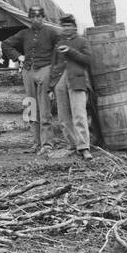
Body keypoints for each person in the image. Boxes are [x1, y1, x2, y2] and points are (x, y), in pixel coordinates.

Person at [0, 6, 63, 153]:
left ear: (43, 17)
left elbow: (61, 47)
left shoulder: (51, 32)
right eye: (33, 17)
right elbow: (5, 44)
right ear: (29, 18)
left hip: (45, 70)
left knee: (45, 108)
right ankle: (36, 143)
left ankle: (47, 144)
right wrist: (18, 56)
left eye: (39, 16)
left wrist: (54, 68)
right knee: (30, 106)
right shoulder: (24, 33)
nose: (36, 19)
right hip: (28, 71)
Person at [49, 13, 95, 161]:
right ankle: (72, 145)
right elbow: (54, 65)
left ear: (75, 27)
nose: (66, 28)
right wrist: (50, 87)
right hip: (60, 82)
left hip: (77, 81)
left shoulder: (82, 41)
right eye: (64, 26)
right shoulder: (58, 43)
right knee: (63, 117)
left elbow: (88, 60)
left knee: (79, 115)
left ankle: (84, 147)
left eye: (69, 26)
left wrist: (70, 51)